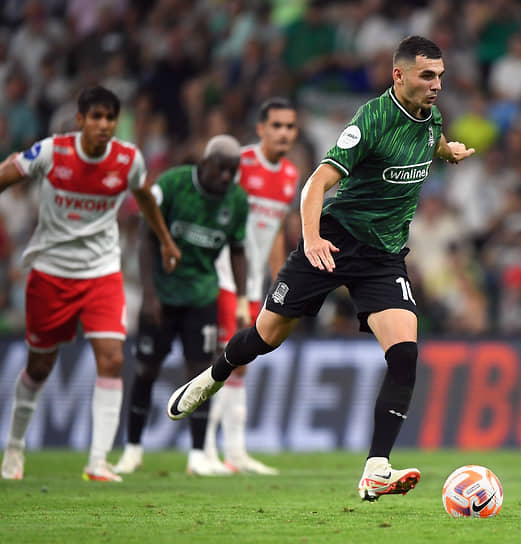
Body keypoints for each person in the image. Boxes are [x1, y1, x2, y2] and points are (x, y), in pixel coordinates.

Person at [166, 35, 474, 500]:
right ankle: (214, 375)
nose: (437, 85)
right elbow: (316, 182)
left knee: (405, 355)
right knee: (266, 337)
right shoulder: (371, 120)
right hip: (334, 241)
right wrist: (311, 237)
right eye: (427, 75)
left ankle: (376, 468)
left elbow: (432, 142)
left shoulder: (432, 120)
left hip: (383, 257)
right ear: (399, 75)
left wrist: (449, 152)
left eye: (440, 76)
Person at [0, 86, 181, 482]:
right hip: (51, 271)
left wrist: (166, 240)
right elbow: (7, 174)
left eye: (110, 118)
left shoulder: (128, 159)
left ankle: (98, 461)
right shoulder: (52, 152)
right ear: (80, 119)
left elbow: (145, 198)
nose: (103, 125)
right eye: (96, 117)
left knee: (113, 358)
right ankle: (14, 445)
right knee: (39, 365)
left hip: (101, 271)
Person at [114, 135, 249, 476]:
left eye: (232, 171)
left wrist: (241, 299)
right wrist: (149, 295)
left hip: (202, 296)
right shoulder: (172, 184)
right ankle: (132, 449)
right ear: (205, 164)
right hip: (161, 296)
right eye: (221, 169)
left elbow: (237, 250)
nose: (226, 177)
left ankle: (198, 454)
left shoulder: (236, 200)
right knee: (146, 370)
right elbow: (146, 235)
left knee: (202, 373)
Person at [204, 98, 300, 475]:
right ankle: (204, 449)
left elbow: (274, 231)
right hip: (223, 275)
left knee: (240, 362)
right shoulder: (239, 163)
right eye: (276, 125)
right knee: (223, 357)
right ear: (260, 129)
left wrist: (280, 278)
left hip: (254, 281)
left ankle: (235, 451)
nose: (283, 133)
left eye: (289, 127)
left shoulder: (290, 175)